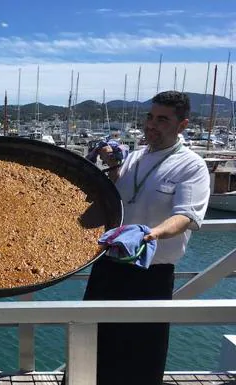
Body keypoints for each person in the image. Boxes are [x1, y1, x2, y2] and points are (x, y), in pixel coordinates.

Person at [84, 91, 211, 385]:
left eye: (162, 120)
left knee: (141, 356)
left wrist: (149, 235)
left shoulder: (191, 166)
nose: (151, 125)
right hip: (109, 264)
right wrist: (111, 166)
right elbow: (110, 197)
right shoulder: (135, 157)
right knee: (92, 343)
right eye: (150, 117)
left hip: (150, 272)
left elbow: (186, 217)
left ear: (182, 125)